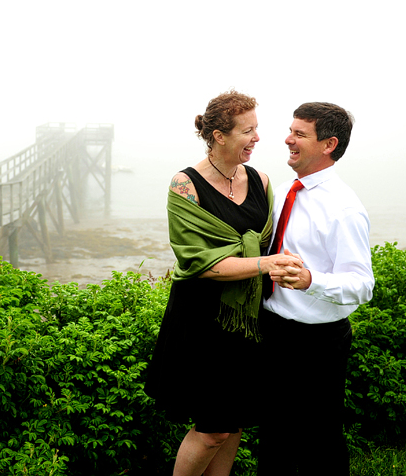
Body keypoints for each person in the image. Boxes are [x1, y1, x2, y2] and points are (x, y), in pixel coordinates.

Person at [145, 90, 304, 476]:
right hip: (201, 323)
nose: (257, 138)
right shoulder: (185, 185)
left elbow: (270, 239)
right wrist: (266, 263)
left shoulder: (261, 180)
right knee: (212, 429)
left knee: (234, 425)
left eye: (257, 129)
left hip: (248, 322)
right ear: (219, 136)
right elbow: (200, 264)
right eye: (247, 131)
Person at [257, 102, 375, 476]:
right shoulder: (287, 191)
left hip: (317, 342)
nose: (287, 139)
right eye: (291, 130)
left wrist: (312, 281)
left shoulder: (344, 208)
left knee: (319, 440)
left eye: (299, 134)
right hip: (272, 328)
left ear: (329, 144)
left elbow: (362, 285)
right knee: (274, 435)